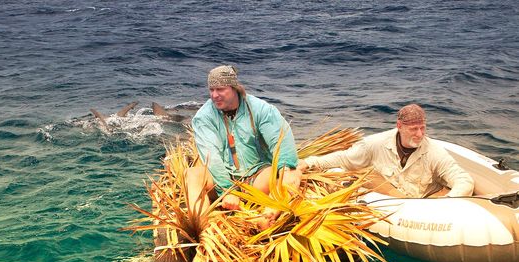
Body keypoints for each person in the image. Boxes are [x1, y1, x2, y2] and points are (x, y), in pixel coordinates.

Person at [186, 65, 301, 225]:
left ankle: (269, 213)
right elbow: (211, 157)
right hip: (223, 179)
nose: (214, 95)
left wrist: (286, 171)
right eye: (211, 90)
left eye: (220, 89)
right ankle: (204, 229)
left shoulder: (261, 110)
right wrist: (228, 191)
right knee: (193, 175)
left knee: (290, 172)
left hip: (257, 177)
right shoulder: (203, 117)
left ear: (234, 88)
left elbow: (282, 144)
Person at [299, 104, 474, 198]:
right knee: (367, 175)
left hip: (423, 204)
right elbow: (344, 160)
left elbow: (463, 180)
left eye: (422, 128)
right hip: (390, 197)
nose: (420, 134)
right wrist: (308, 163)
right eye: (414, 129)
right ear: (399, 126)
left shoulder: (434, 151)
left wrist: (448, 202)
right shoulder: (374, 144)